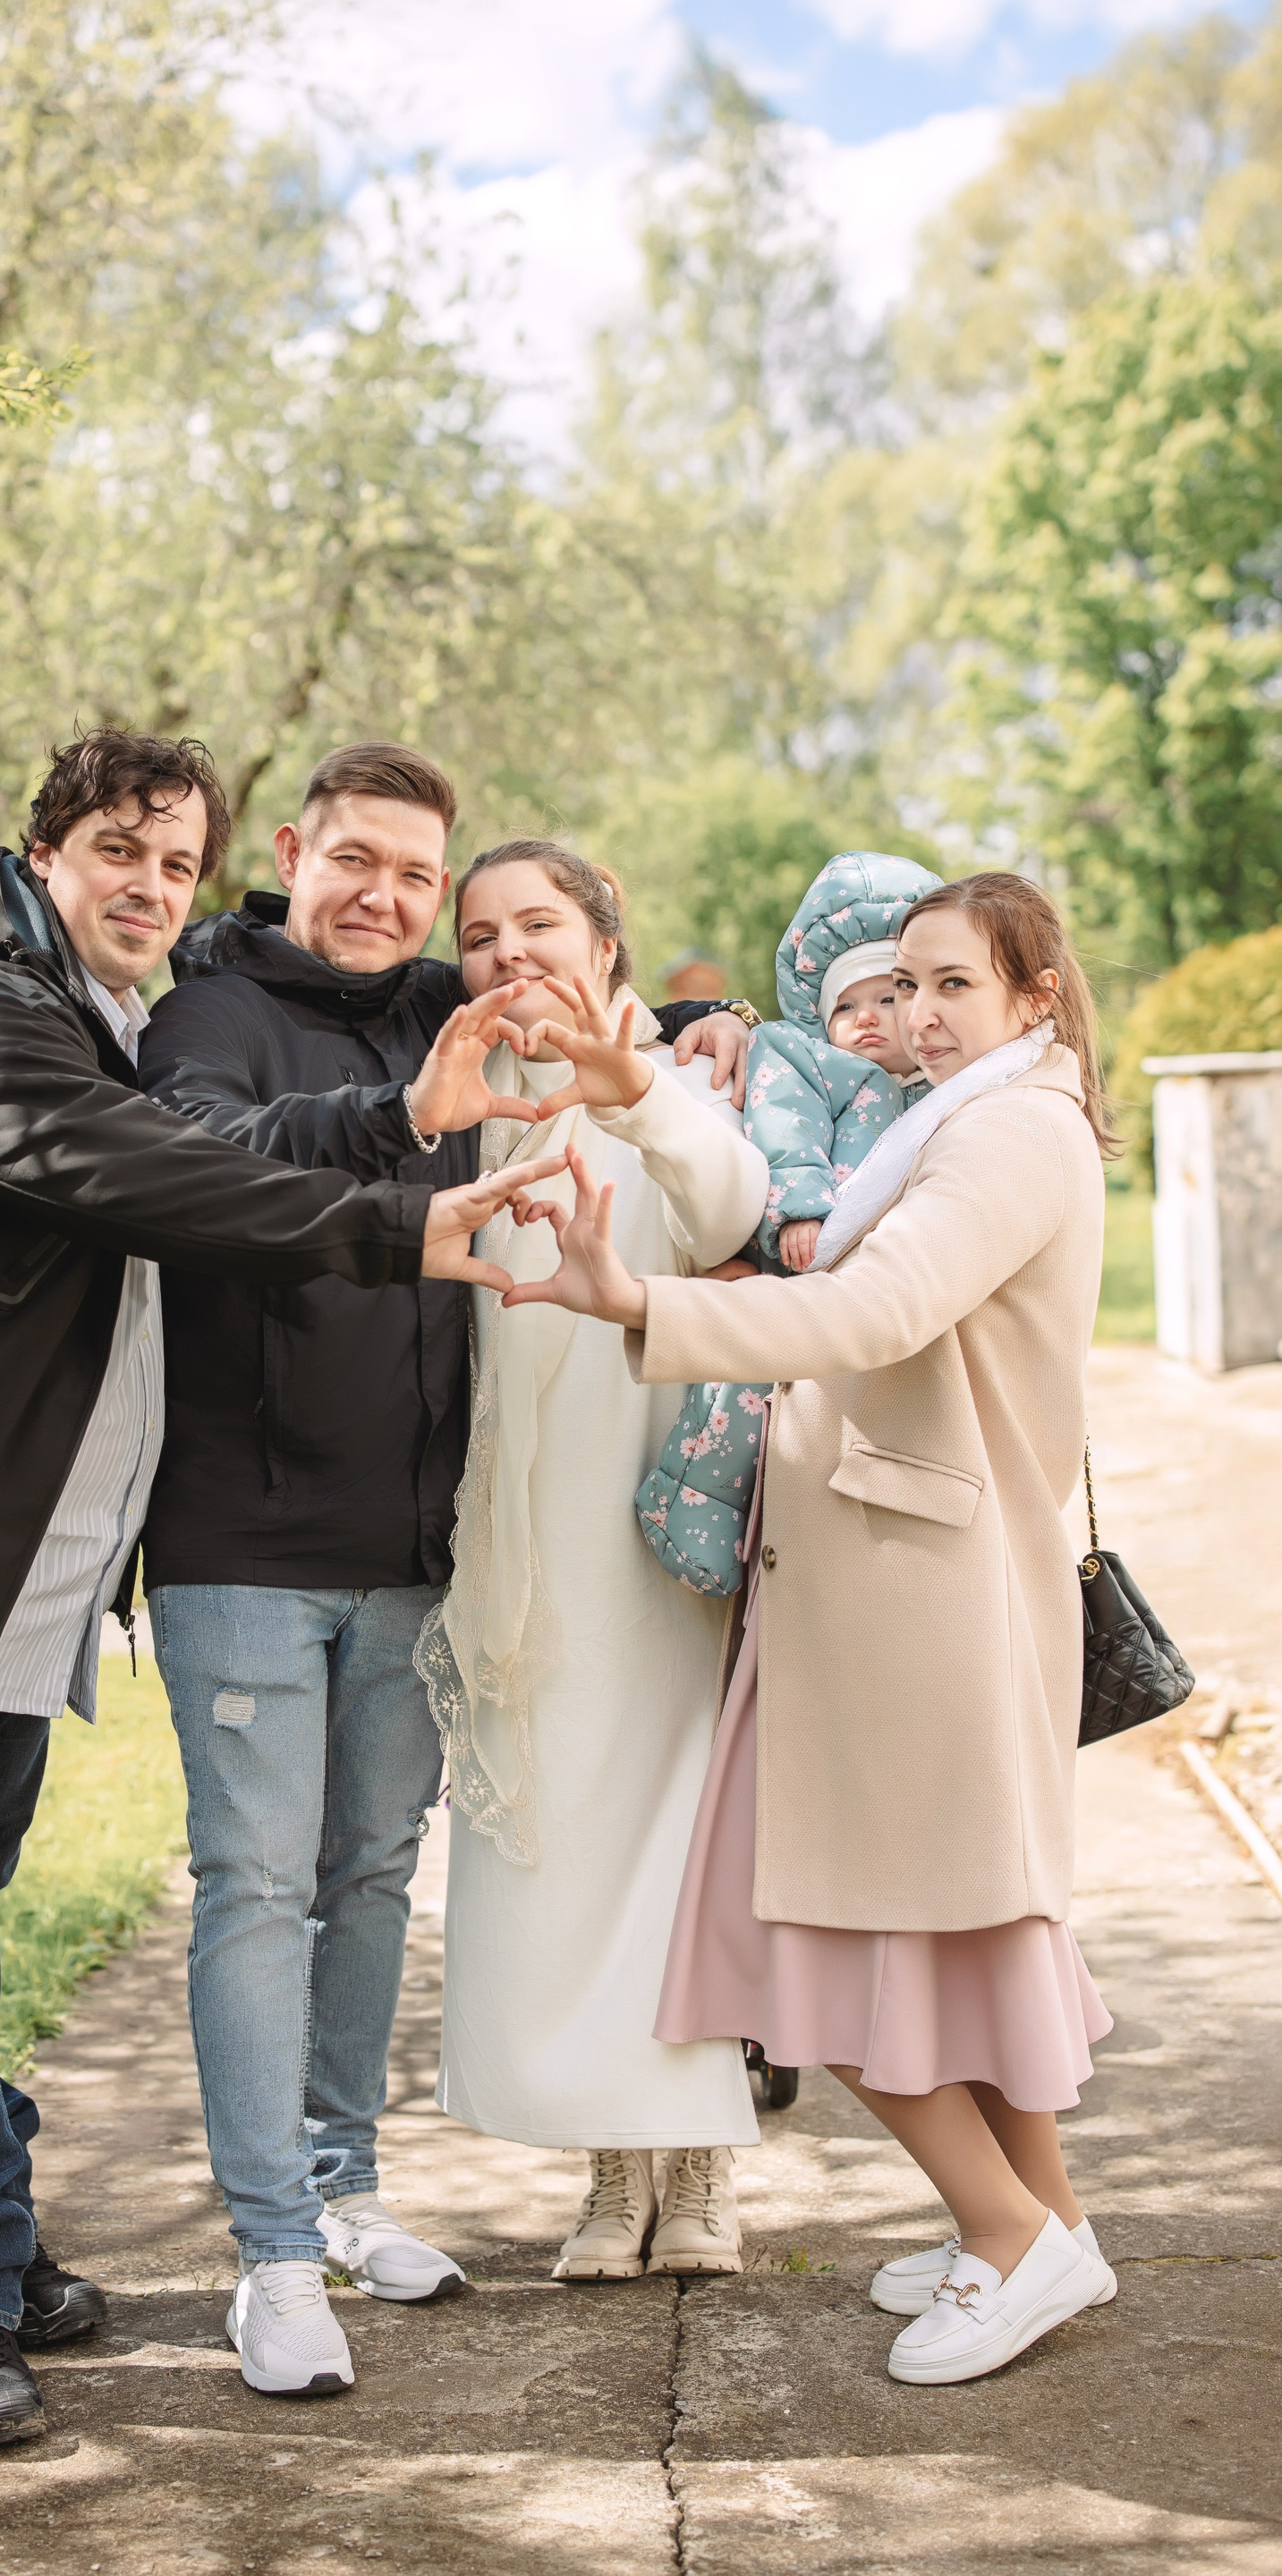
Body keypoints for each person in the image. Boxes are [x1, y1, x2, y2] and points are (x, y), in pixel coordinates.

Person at [0, 730, 562, 2453]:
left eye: (175, 862)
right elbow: (133, 1172)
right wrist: (392, 1211)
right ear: (43, 851)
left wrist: (675, 1040)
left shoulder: (110, 1013)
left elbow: (235, 1106)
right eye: (118, 851)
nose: (149, 886)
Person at [136, 746, 752, 2395]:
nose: (390, 900)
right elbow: (211, 1160)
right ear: (292, 853)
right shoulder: (206, 1017)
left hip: (416, 1548)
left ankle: (344, 2194)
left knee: (368, 1880)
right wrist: (407, 1115)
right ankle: (274, 2254)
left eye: (420, 878)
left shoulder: (442, 1004)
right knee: (255, 1887)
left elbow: (597, 1017)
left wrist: (706, 1035)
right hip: (245, 1543)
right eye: (358, 861)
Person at [506, 872, 1122, 2387]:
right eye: (904, 984)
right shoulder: (962, 1115)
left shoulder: (1005, 1133)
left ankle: (1007, 2236)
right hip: (896, 1577)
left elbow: (870, 1314)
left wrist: (638, 1306)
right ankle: (1042, 2223)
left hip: (914, 1591)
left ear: (1036, 995)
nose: (919, 1014)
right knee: (959, 1939)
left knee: (801, 1942)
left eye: (954, 985)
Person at [416, 839, 770, 2284]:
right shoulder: (464, 1097)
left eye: (540, 924)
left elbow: (733, 1210)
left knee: (675, 1846)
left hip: (654, 1525)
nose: (510, 952)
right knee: (555, 1849)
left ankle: (703, 2170)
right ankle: (609, 2174)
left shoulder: (674, 1084)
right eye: (481, 933)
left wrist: (648, 1086)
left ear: (606, 944)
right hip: (515, 1535)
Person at [639, 852, 938, 1597]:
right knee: (741, 1392)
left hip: (879, 1291)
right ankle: (686, 1512)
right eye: (846, 1007)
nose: (865, 1018)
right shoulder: (817, 1062)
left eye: (887, 998)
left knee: (822, 1426)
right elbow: (783, 1123)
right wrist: (800, 1207)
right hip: (800, 1252)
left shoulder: (939, 1091)